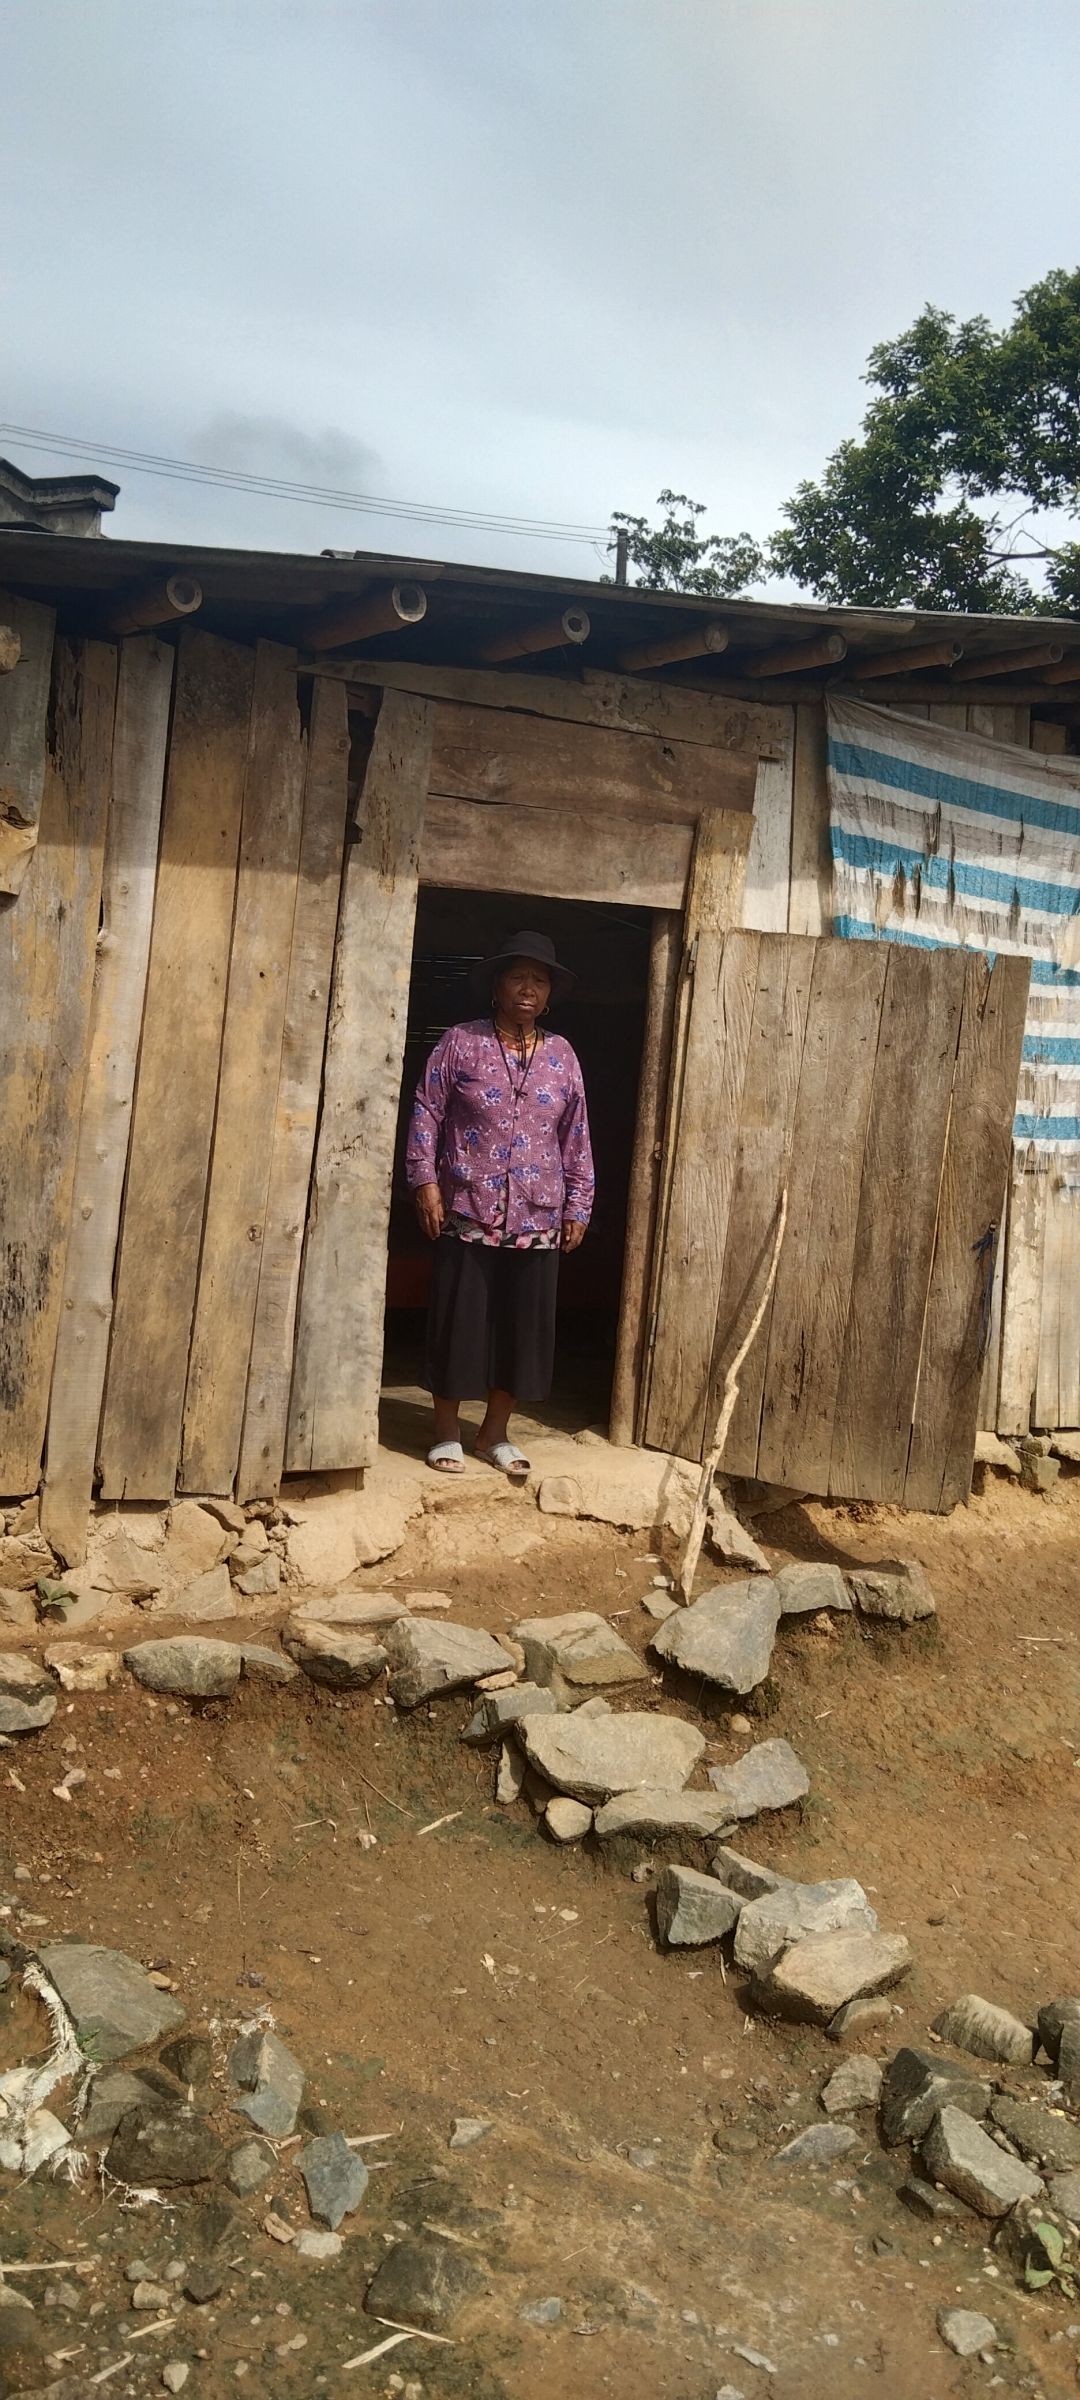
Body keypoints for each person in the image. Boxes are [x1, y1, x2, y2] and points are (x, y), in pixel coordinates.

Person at [406, 930, 595, 1479]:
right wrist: (424, 1180)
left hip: (538, 1213)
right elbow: (426, 1109)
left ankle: (495, 1434)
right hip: (469, 1205)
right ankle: (446, 1432)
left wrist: (579, 1204)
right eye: (517, 977)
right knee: (459, 1321)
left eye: (539, 980)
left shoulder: (562, 1054)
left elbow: (576, 1132)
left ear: (550, 994)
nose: (528, 988)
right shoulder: (460, 1042)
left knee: (521, 1328)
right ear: (497, 986)